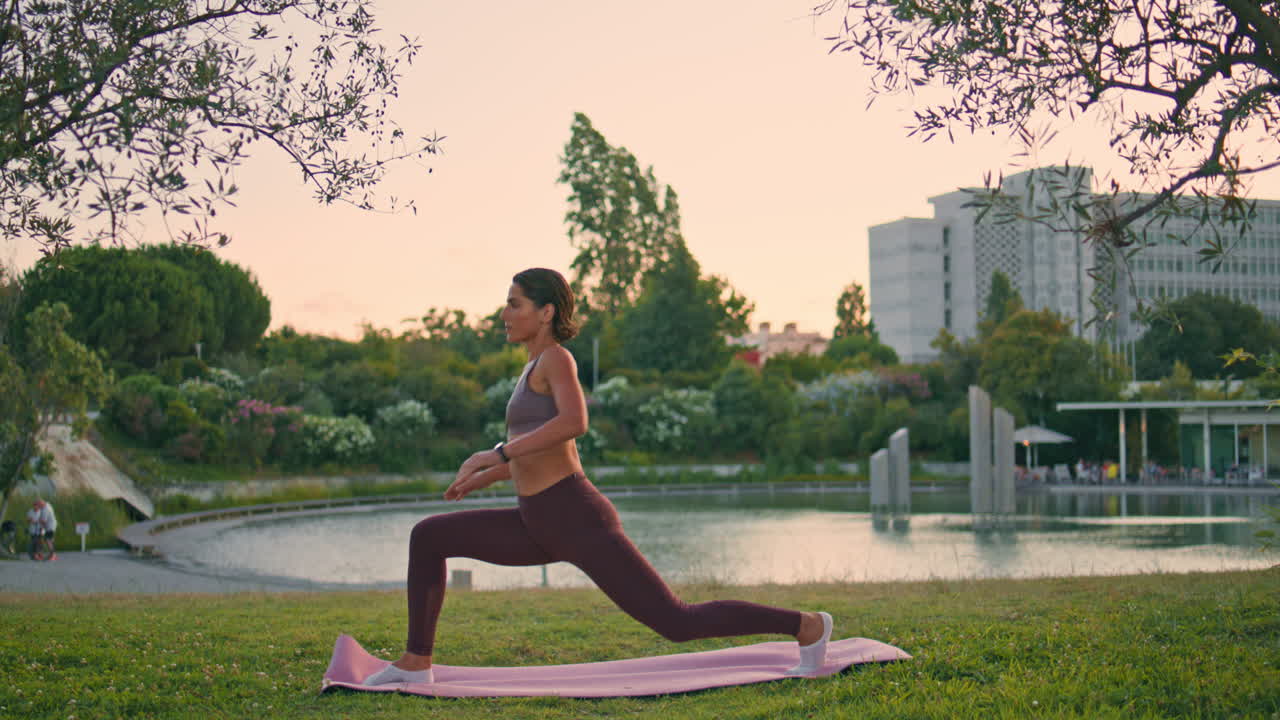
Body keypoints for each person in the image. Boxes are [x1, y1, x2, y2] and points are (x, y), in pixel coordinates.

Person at [364, 268, 833, 686]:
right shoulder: (530, 366)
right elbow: (542, 449)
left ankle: (806, 625)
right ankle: (415, 661)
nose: (504, 313)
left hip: (576, 519)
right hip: (536, 522)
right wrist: (487, 474)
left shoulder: (557, 360)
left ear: (545, 311)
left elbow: (573, 423)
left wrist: (496, 452)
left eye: (514, 304)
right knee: (428, 537)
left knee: (676, 621)